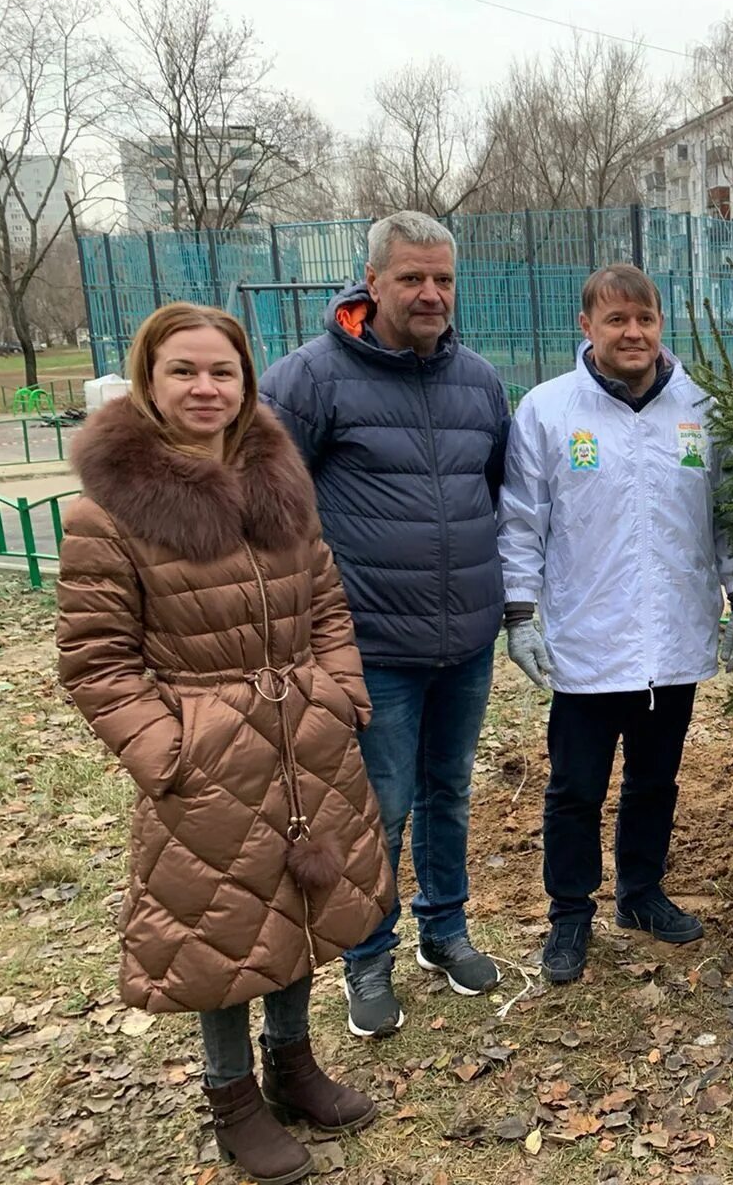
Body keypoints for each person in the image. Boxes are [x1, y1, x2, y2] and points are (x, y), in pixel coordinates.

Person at [56, 303, 395, 1185]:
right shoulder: (109, 515)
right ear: (149, 380)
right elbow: (97, 661)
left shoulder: (281, 485)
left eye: (224, 372)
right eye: (184, 371)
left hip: (305, 741)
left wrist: (340, 693)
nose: (206, 388)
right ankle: (232, 1096)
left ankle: (294, 1064)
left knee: (299, 908)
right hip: (207, 760)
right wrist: (168, 753)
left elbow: (325, 602)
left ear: (247, 383)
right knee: (223, 932)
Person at [261, 211, 512, 1038]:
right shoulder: (310, 380)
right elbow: (264, 505)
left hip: (466, 640)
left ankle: (447, 932)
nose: (431, 292)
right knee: (382, 806)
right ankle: (368, 960)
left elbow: (500, 493)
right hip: (374, 649)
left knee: (450, 794)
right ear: (373, 283)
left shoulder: (478, 381)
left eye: (443, 277)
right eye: (412, 278)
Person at [497, 264, 733, 985]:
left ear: (658, 324)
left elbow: (730, 513)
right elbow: (521, 521)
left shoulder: (700, 407)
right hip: (589, 638)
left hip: (672, 638)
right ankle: (569, 915)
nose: (632, 332)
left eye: (644, 318)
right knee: (575, 788)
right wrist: (520, 614)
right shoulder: (550, 412)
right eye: (616, 320)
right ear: (586, 328)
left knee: (655, 781)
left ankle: (641, 896)